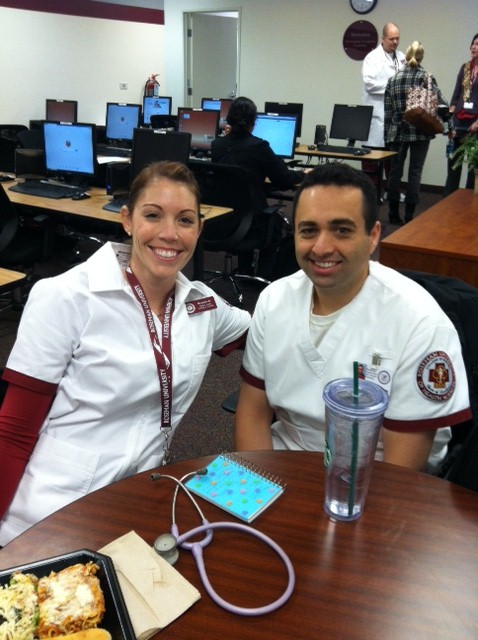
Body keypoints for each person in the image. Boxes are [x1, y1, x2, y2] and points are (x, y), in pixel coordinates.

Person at [0, 161, 251, 546]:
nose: (170, 234)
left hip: (137, 503)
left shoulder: (202, 305)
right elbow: (14, 431)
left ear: (199, 229)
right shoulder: (66, 296)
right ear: (128, 219)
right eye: (153, 215)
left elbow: (262, 330)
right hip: (51, 509)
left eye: (185, 220)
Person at [235, 163, 471, 473]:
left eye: (341, 230)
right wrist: (258, 490)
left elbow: (401, 469)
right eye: (308, 230)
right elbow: (252, 413)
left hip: (372, 482)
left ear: (373, 235)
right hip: (284, 465)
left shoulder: (419, 322)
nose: (321, 247)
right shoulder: (273, 300)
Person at [211, 96, 306, 280]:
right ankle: (264, 276)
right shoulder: (259, 147)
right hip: (251, 220)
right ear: (253, 122)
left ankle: (245, 269)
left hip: (223, 219)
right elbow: (283, 179)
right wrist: (303, 174)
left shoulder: (217, 145)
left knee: (244, 207)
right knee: (275, 225)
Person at [384, 41, 448, 224]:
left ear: (406, 56)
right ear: (421, 57)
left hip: (397, 131)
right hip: (420, 130)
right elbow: (441, 103)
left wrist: (387, 136)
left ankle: (393, 214)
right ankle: (410, 215)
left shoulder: (393, 79)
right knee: (415, 172)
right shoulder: (426, 77)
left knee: (395, 172)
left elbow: (388, 110)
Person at [444, 33, 478, 196]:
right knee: (453, 165)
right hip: (458, 121)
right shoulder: (465, 68)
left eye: (477, 44)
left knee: (473, 168)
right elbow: (455, 95)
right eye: (472, 44)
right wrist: (450, 122)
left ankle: (468, 206)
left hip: (475, 124)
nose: (473, 47)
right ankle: (447, 201)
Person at [362, 22, 406, 148]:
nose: (395, 42)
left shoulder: (402, 57)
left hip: (396, 118)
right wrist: (392, 88)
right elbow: (369, 85)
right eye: (391, 39)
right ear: (383, 38)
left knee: (393, 163)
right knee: (373, 162)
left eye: (397, 38)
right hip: (378, 117)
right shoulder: (372, 58)